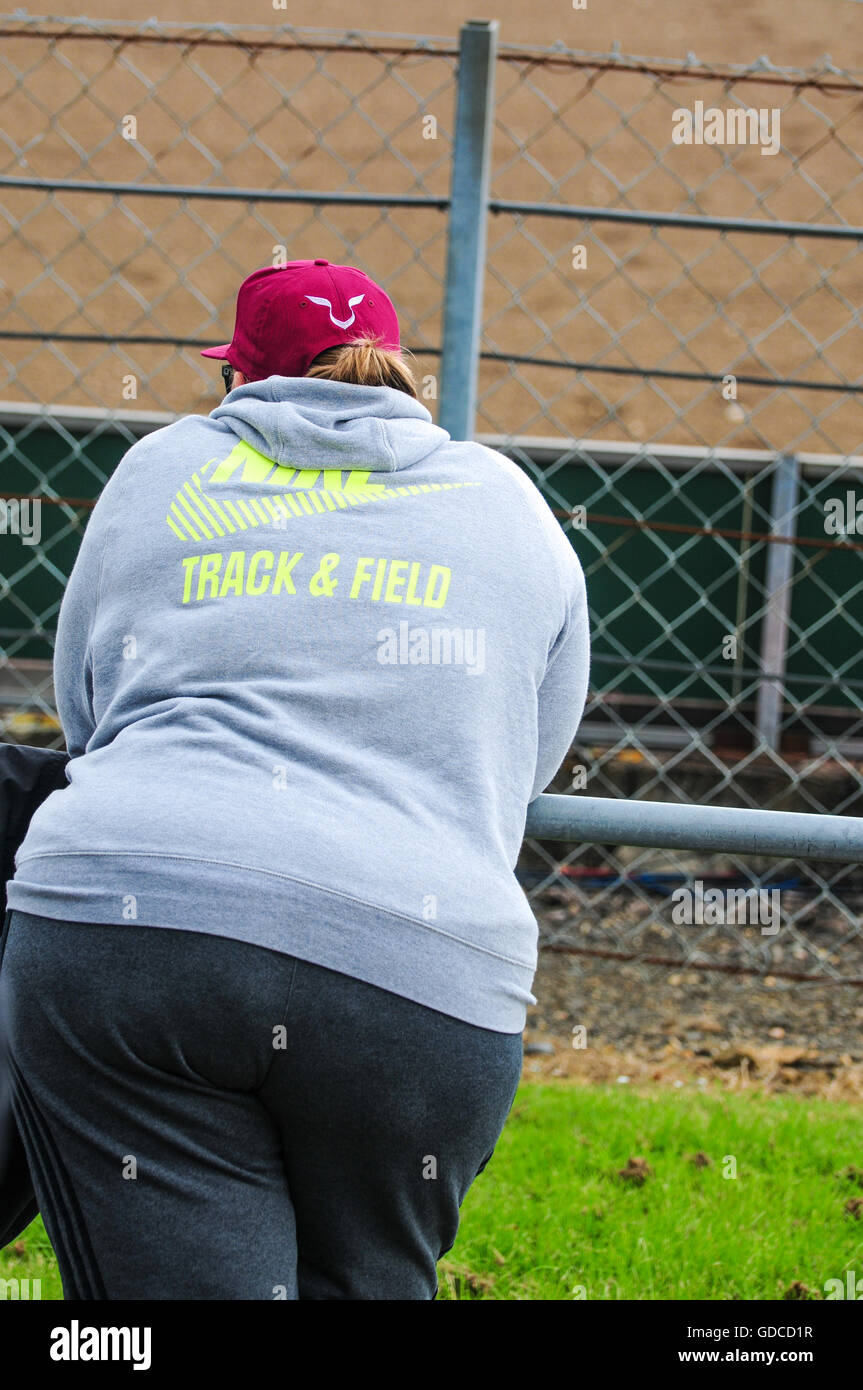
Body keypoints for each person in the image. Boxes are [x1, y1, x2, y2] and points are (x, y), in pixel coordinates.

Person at [1, 259, 590, 1300]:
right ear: (401, 373)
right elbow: (521, 758)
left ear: (240, 378)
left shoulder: (163, 466)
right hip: (422, 962)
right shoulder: (510, 501)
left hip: (141, 926)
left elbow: (92, 716)